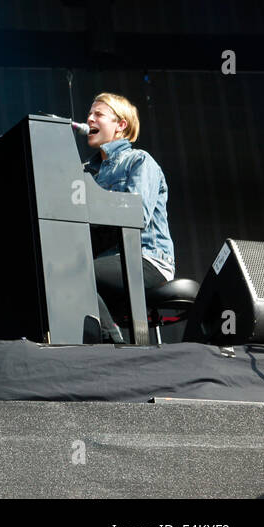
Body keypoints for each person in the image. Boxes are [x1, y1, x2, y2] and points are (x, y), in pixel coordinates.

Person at [82, 92, 175, 341]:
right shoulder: (83, 172)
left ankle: (112, 342)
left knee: (74, 271)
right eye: (89, 114)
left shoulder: (139, 160)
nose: (90, 119)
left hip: (148, 259)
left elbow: (136, 214)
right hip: (109, 262)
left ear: (121, 125)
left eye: (98, 114)